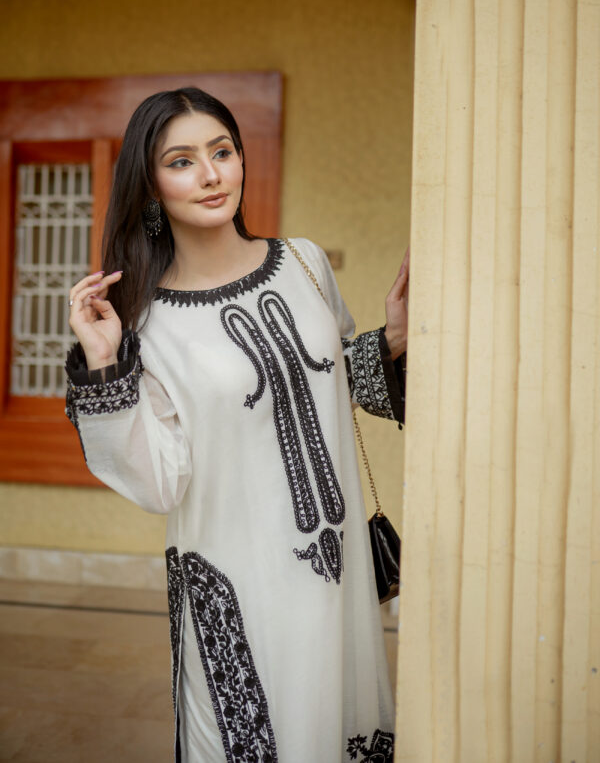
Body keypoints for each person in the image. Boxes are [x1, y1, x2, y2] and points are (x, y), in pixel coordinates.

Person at [65, 86, 409, 763]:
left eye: (222, 151)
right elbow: (157, 481)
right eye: (183, 161)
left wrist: (390, 343)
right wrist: (104, 367)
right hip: (236, 587)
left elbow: (328, 379)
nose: (212, 173)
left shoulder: (305, 264)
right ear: (151, 184)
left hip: (334, 582)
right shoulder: (146, 323)